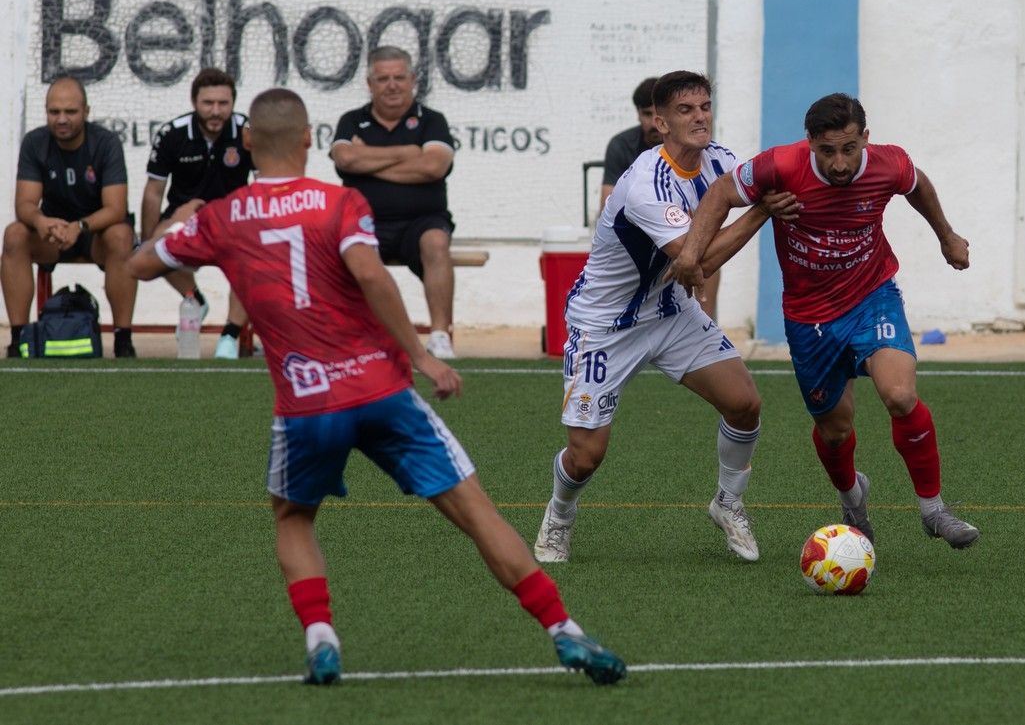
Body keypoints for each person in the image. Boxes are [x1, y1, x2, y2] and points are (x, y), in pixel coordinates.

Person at [127, 88, 626, 686]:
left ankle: (321, 638)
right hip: (381, 390)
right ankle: (564, 631)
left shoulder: (223, 216)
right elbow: (368, 273)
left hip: (306, 403)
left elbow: (139, 265)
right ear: (310, 138)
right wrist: (422, 356)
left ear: (248, 142)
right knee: (475, 512)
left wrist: (176, 224)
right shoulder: (341, 203)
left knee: (294, 518)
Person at [672, 92, 980, 549]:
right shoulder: (779, 166)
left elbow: (918, 185)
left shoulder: (888, 163)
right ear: (810, 143)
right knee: (835, 431)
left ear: (865, 140)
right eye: (827, 151)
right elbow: (720, 193)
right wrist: (691, 256)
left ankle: (934, 510)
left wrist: (947, 235)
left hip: (872, 295)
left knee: (899, 393)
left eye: (849, 149)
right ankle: (853, 500)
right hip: (809, 316)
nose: (839, 164)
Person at [534, 71, 796, 565]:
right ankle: (559, 515)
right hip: (607, 326)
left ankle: (728, 503)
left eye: (704, 106)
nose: (700, 117)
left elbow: (766, 180)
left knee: (744, 403)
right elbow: (697, 262)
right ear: (659, 122)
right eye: (685, 110)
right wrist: (762, 213)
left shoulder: (719, 160)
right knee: (587, 455)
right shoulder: (646, 185)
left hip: (671, 311)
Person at [330, 46, 458, 360]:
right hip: (364, 223)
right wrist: (409, 153)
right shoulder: (351, 120)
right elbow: (345, 159)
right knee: (334, 247)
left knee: (436, 242)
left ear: (413, 79)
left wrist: (369, 161)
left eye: (399, 77)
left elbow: (433, 167)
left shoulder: (432, 121)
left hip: (422, 221)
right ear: (369, 83)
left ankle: (440, 336)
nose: (392, 85)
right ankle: (347, 336)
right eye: (383, 78)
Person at [3, 76, 138, 358]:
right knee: (15, 234)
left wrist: (81, 226)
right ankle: (19, 339)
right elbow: (25, 204)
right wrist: (41, 221)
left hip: (94, 233)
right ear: (46, 111)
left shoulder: (106, 143)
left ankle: (123, 340)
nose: (62, 119)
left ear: (86, 112)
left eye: (70, 112)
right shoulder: (35, 142)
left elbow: (115, 208)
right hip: (52, 234)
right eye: (54, 112)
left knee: (122, 235)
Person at [142, 68, 254, 359]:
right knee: (153, 248)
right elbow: (153, 191)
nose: (216, 111)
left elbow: (266, 180)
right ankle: (195, 300)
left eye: (223, 103)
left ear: (233, 103)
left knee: (253, 259)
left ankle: (230, 335)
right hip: (185, 219)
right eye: (208, 103)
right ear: (194, 103)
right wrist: (145, 240)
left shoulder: (247, 131)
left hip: (234, 221)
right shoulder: (171, 133)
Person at [600, 77, 721, 319]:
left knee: (707, 255)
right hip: (639, 234)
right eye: (647, 114)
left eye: (704, 107)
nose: (653, 124)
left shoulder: (710, 153)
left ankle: (707, 321)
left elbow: (720, 195)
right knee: (700, 250)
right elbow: (607, 200)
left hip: (684, 232)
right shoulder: (623, 146)